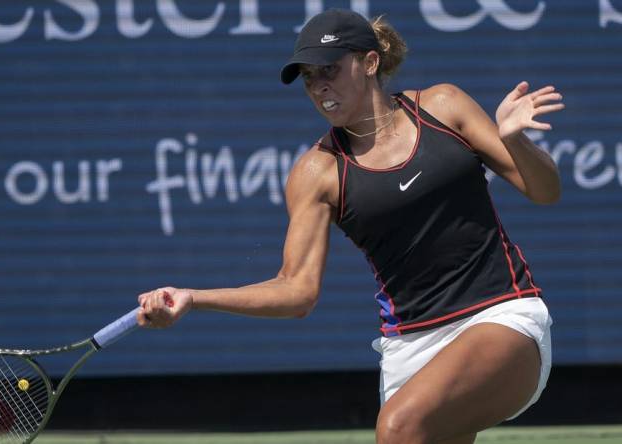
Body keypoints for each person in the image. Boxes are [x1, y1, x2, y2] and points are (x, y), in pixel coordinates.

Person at [136, 8, 562, 444]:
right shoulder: (315, 173)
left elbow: (546, 190)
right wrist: (193, 298)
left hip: (504, 317)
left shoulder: (443, 106)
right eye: (308, 78)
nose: (320, 86)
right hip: (410, 351)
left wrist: (514, 139)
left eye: (330, 70)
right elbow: (296, 291)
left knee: (400, 428)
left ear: (370, 63)